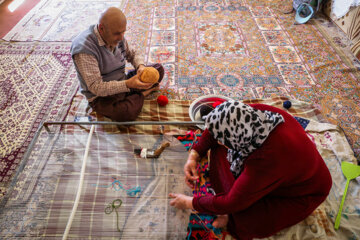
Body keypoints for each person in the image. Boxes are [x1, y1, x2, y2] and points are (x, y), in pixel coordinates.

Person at [169, 101, 332, 239]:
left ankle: (229, 217)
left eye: (224, 140)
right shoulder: (251, 114)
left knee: (248, 222)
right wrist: (195, 154)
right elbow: (217, 127)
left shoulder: (267, 158)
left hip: (301, 192)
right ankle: (226, 208)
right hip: (277, 171)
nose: (219, 141)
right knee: (218, 150)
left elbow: (233, 201)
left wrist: (190, 202)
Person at [70, 7, 164, 121]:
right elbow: (96, 87)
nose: (121, 38)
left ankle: (132, 96)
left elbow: (132, 54)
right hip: (101, 96)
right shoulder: (84, 49)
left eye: (123, 32)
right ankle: (142, 94)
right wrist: (128, 84)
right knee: (125, 113)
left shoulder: (118, 36)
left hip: (122, 80)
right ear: (101, 28)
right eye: (116, 34)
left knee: (158, 69)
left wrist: (141, 67)